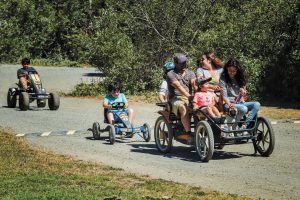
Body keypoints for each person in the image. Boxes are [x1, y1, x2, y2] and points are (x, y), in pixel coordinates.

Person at [219, 58, 260, 130]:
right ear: (226, 69)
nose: (231, 73)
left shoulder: (239, 78)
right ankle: (235, 126)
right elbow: (224, 96)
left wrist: (243, 90)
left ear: (237, 70)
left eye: (234, 71)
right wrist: (230, 105)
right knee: (244, 108)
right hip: (229, 104)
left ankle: (245, 126)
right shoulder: (223, 79)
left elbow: (243, 92)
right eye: (229, 71)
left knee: (257, 104)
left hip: (240, 102)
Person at [166, 53, 196, 135]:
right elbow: (178, 87)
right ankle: (188, 133)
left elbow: (194, 83)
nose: (184, 64)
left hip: (189, 98)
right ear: (175, 63)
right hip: (175, 99)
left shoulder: (190, 73)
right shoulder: (170, 74)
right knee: (183, 107)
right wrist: (189, 96)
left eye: (185, 62)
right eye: (181, 63)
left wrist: (198, 92)